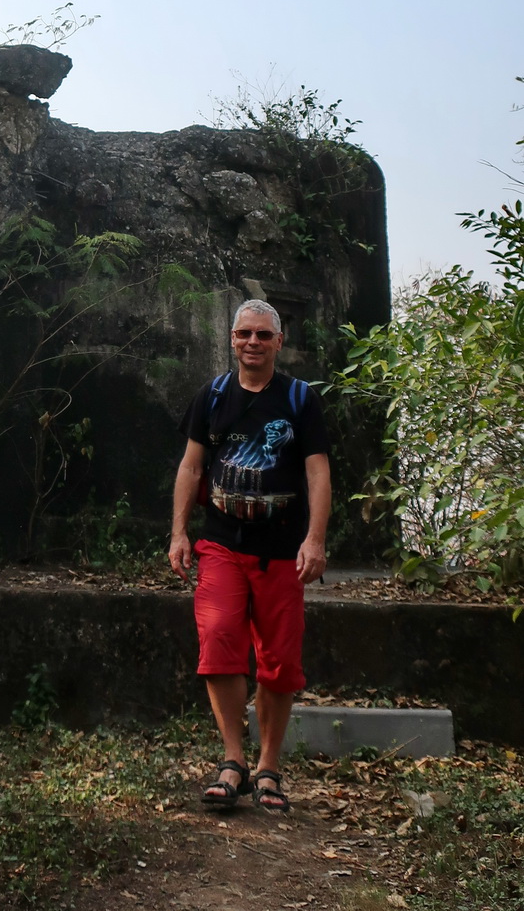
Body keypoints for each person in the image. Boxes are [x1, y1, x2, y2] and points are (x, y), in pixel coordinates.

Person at [168, 299, 330, 814]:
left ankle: (269, 767)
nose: (252, 343)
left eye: (263, 335)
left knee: (279, 662)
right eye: (244, 334)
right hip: (221, 543)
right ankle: (233, 761)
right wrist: (178, 533)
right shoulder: (212, 396)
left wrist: (316, 539)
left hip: (282, 550)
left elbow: (318, 473)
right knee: (218, 640)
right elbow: (192, 468)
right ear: (232, 339)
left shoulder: (301, 400)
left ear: (279, 342)